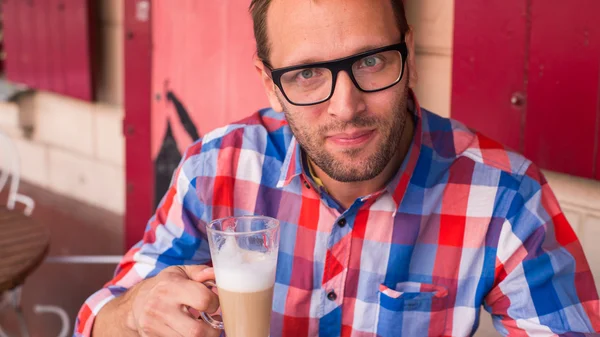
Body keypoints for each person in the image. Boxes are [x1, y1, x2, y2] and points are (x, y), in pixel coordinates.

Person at [75, 0, 600, 336]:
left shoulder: (505, 195)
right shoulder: (218, 167)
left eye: (371, 61)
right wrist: (134, 313)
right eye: (306, 74)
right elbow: (98, 319)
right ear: (267, 81)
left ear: (409, 55)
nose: (345, 107)